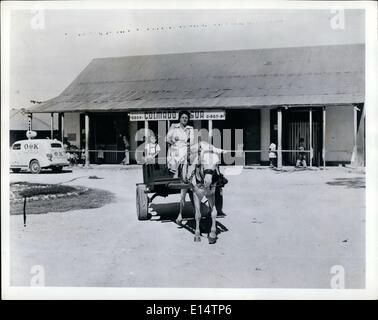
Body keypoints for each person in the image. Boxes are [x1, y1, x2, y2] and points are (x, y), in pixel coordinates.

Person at [166, 110, 194, 177]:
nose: (184, 119)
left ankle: (186, 178)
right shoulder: (174, 126)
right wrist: (174, 142)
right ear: (179, 118)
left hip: (185, 149)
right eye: (183, 117)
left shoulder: (190, 128)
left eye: (186, 118)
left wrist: (188, 145)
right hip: (174, 150)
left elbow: (192, 141)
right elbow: (167, 139)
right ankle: (174, 177)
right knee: (174, 163)